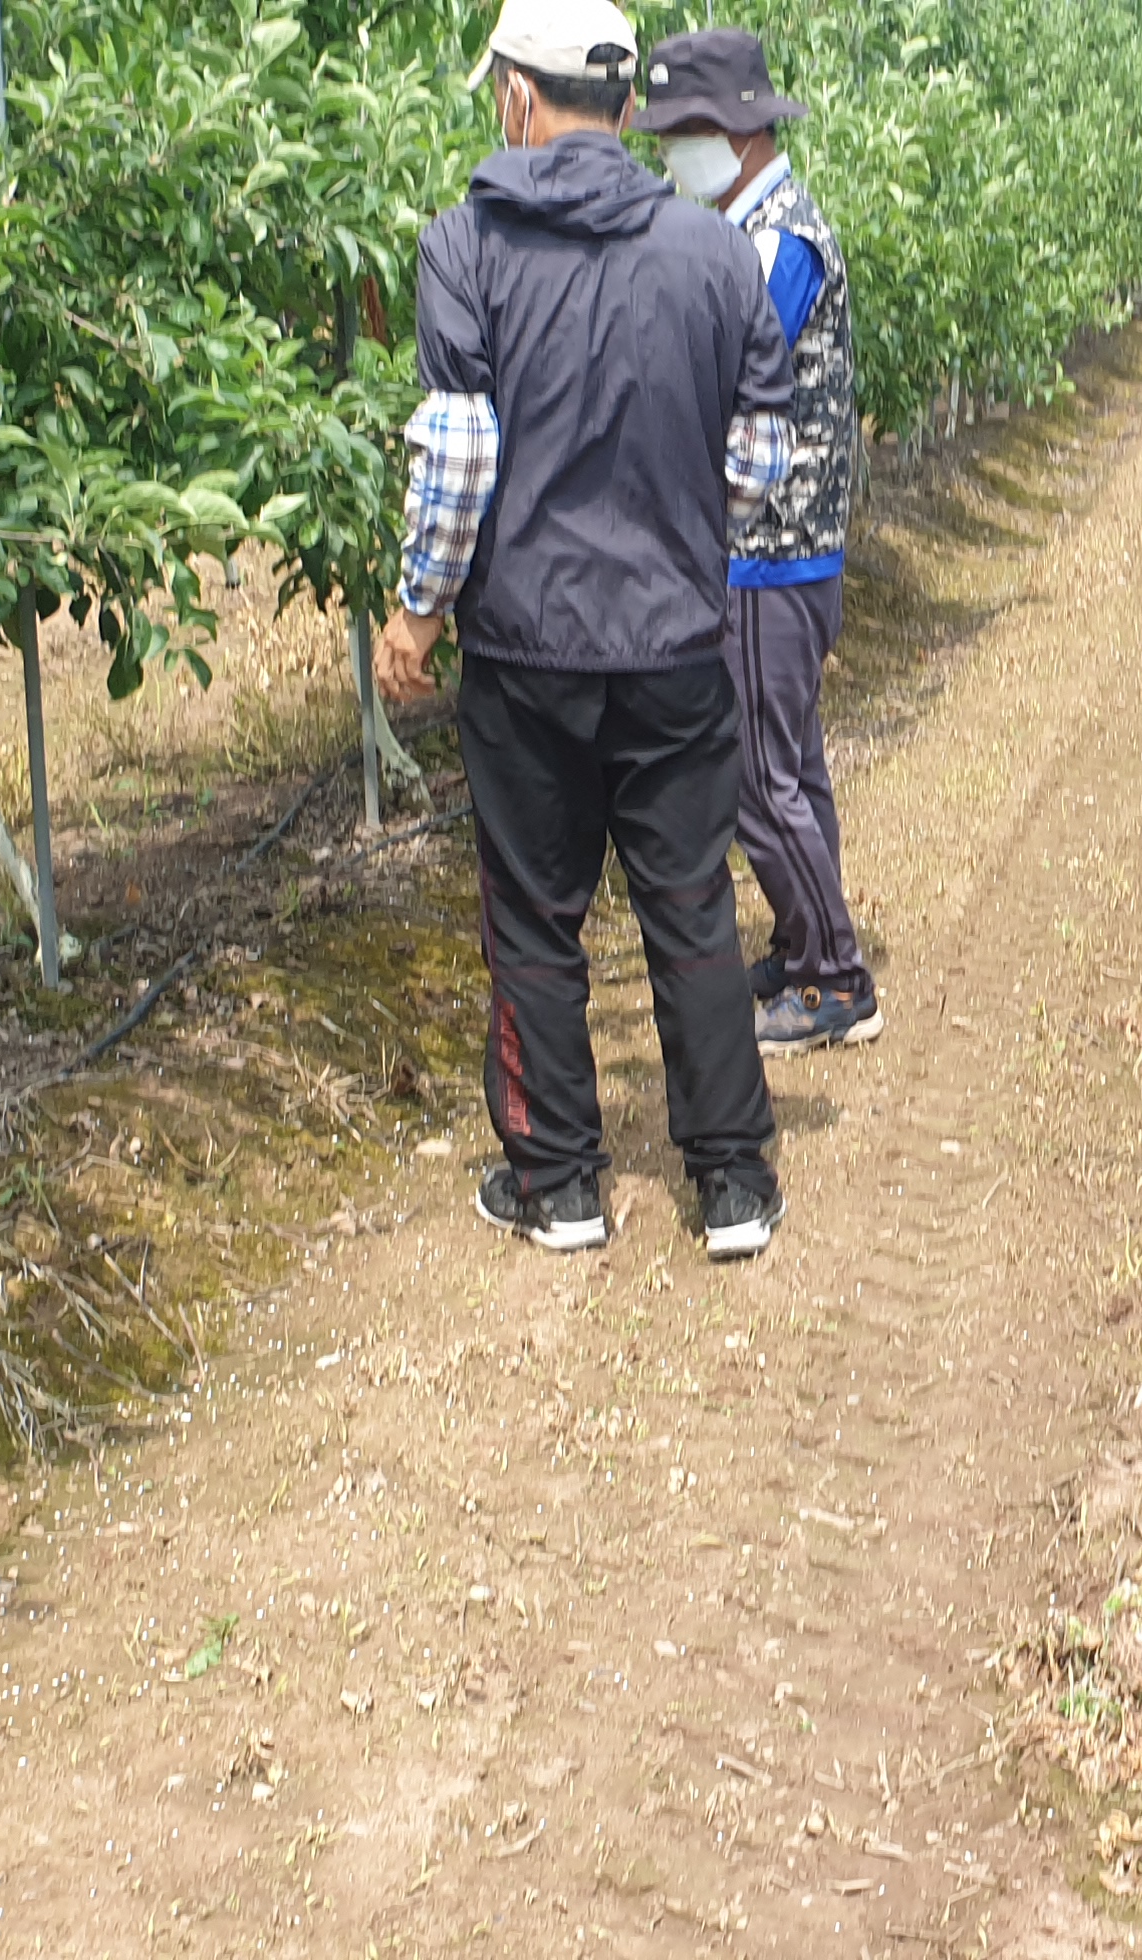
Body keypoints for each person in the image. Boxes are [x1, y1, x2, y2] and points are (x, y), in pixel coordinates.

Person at [375, 0, 798, 1261]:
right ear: (625, 109)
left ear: (516, 96)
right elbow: (761, 461)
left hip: (527, 655)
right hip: (674, 645)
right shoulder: (716, 253)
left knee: (536, 917)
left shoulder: (465, 247)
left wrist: (416, 612)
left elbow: (458, 455)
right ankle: (731, 1185)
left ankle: (560, 1184)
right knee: (688, 902)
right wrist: (670, 518)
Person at [639, 28, 881, 1058]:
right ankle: (803, 941)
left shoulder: (774, 244)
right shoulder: (762, 225)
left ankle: (836, 980)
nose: (667, 158)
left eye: (678, 136)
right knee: (795, 769)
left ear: (730, 132)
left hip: (766, 554)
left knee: (756, 777)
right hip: (784, 556)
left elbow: (733, 374)